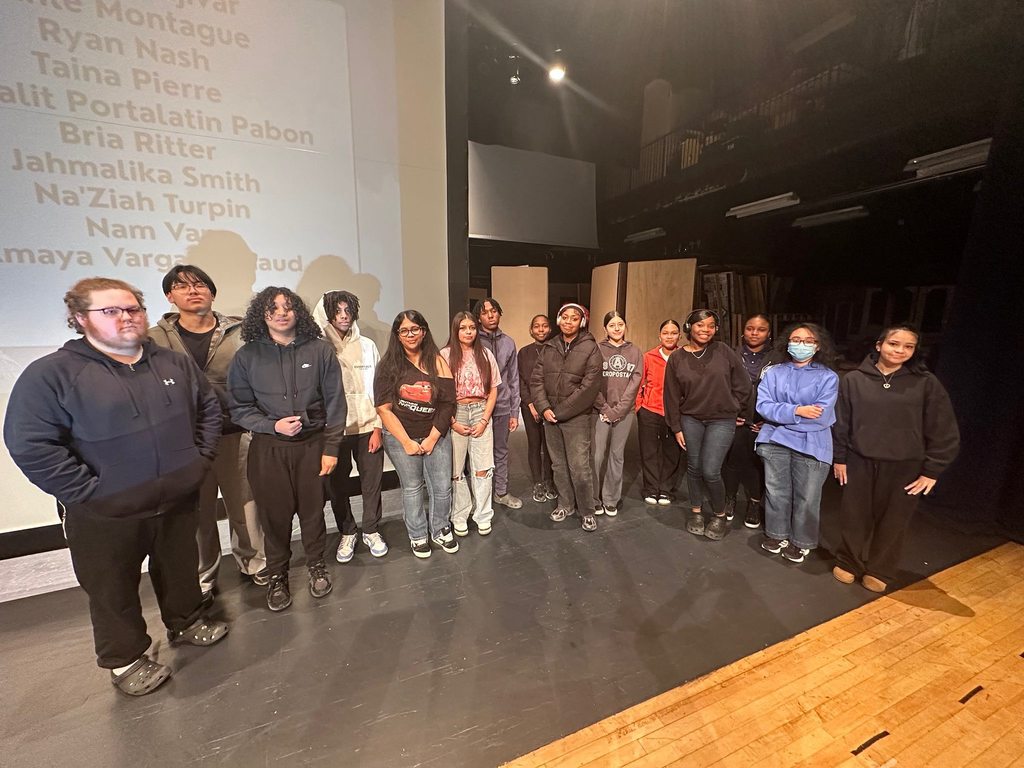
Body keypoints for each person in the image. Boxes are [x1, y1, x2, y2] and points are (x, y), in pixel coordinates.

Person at [4, 277, 228, 697]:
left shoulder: (172, 364)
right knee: (112, 587)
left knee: (180, 568)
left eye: (132, 309)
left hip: (177, 497)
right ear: (79, 319)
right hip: (104, 510)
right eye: (111, 311)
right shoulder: (52, 374)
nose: (126, 317)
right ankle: (125, 659)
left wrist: (197, 462)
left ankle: (186, 621)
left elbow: (208, 411)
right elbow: (30, 444)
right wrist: (89, 491)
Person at [150, 265, 267, 596]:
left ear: (212, 292)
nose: (193, 290)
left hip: (236, 432)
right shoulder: (154, 338)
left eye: (200, 284)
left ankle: (254, 562)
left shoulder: (241, 331)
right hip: (187, 442)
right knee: (197, 512)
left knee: (245, 503)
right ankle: (204, 577)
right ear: (169, 296)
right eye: (182, 286)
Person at [228, 288, 346, 612]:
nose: (282, 312)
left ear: (299, 313)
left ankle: (316, 565)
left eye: (289, 307)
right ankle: (278, 575)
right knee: (274, 519)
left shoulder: (320, 351)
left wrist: (332, 448)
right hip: (268, 449)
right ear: (261, 315)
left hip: (312, 446)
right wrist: (272, 426)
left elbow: (336, 403)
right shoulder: (247, 356)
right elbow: (239, 408)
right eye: (273, 308)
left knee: (312, 513)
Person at [832, 324, 960, 592]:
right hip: (860, 460)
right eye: (894, 344)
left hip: (905, 465)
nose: (900, 350)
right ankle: (849, 561)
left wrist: (932, 470)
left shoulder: (926, 383)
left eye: (908, 346)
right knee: (854, 516)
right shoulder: (853, 380)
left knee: (894, 520)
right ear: (879, 345)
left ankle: (880, 568)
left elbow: (943, 428)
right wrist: (840, 458)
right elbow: (842, 423)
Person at [313, 290, 388, 562]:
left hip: (368, 427)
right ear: (327, 313)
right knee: (337, 486)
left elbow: (379, 390)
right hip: (334, 431)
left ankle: (371, 529)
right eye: (337, 311)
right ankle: (347, 530)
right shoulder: (318, 347)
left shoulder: (368, 345)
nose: (343, 316)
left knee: (372, 483)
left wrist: (379, 426)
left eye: (348, 311)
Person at [374, 310, 457, 557]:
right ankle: (418, 535)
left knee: (442, 487)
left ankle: (441, 528)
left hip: (435, 433)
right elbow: (384, 408)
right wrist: (407, 442)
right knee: (412, 487)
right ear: (397, 335)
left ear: (423, 331)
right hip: (401, 438)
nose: (410, 334)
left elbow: (448, 403)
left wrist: (432, 438)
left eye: (415, 329)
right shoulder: (388, 365)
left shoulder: (438, 361)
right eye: (404, 330)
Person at [664, 309, 752, 541]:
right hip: (690, 419)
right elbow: (671, 396)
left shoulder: (723, 351)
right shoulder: (677, 358)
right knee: (693, 467)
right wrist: (676, 427)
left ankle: (719, 514)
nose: (706, 330)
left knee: (711, 470)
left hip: (721, 420)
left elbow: (744, 384)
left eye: (711, 326)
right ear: (689, 327)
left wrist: (734, 407)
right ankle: (696, 511)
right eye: (700, 325)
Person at [755, 323, 839, 564]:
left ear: (818, 345)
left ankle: (801, 541)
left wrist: (781, 417)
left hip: (812, 443)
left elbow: (821, 417)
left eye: (808, 340)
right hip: (774, 442)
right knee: (776, 491)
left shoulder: (827, 377)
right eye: (796, 339)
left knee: (807, 496)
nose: (801, 344)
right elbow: (763, 407)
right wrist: (799, 410)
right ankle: (777, 533)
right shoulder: (774, 373)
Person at [530, 303, 603, 531]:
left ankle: (587, 511)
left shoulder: (591, 348)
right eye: (565, 317)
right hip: (550, 417)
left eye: (574, 318)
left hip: (576, 418)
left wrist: (559, 412)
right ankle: (565, 504)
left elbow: (589, 387)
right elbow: (537, 380)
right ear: (559, 320)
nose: (569, 321)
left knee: (580, 467)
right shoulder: (549, 347)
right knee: (559, 466)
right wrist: (544, 408)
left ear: (581, 322)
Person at [441, 311, 502, 536]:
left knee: (482, 468)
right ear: (455, 330)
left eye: (472, 328)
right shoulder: (444, 355)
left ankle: (483, 514)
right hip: (455, 412)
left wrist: (485, 418)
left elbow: (494, 388)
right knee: (456, 470)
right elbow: (440, 393)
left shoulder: (485, 354)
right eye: (463, 328)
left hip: (480, 410)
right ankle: (460, 515)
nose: (468, 332)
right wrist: (452, 421)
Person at [722, 313, 771, 529]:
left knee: (757, 462)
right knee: (732, 459)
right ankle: (729, 498)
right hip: (736, 417)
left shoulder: (777, 359)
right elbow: (722, 386)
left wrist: (769, 420)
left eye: (760, 329)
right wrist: (731, 414)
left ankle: (754, 502)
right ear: (744, 330)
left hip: (764, 421)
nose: (754, 333)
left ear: (768, 333)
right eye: (750, 328)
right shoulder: (731, 354)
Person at [591, 311, 643, 516]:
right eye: (612, 325)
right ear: (605, 328)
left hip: (624, 412)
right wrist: (605, 409)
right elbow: (591, 381)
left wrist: (619, 410)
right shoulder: (596, 350)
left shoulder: (635, 352)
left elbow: (635, 382)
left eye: (620, 324)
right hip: (600, 411)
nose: (616, 328)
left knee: (616, 455)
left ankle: (611, 498)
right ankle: (594, 498)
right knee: (596, 455)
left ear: (625, 327)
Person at [475, 297, 522, 509]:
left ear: (499, 313)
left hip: (502, 407)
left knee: (501, 451)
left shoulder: (508, 343)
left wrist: (514, 412)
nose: (490, 315)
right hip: (476, 409)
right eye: (485, 313)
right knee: (476, 454)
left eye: (494, 311)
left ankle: (501, 492)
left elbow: (514, 378)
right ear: (479, 317)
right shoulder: (472, 340)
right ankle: (478, 498)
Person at [636, 319, 683, 506]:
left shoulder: (683, 356)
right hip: (650, 410)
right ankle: (651, 488)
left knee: (672, 452)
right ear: (659, 335)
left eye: (673, 333)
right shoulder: (649, 357)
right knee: (649, 451)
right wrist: (639, 406)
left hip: (675, 412)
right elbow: (639, 383)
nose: (669, 336)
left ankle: (665, 489)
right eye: (665, 333)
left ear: (679, 336)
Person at [518, 314, 557, 503]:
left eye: (544, 326)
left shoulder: (556, 350)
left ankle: (550, 481)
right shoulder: (524, 353)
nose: (540, 329)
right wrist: (531, 404)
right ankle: (538, 483)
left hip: (550, 407)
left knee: (550, 446)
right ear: (531, 330)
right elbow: (520, 381)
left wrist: (546, 406)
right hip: (530, 407)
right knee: (534, 445)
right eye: (536, 326)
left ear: (549, 329)